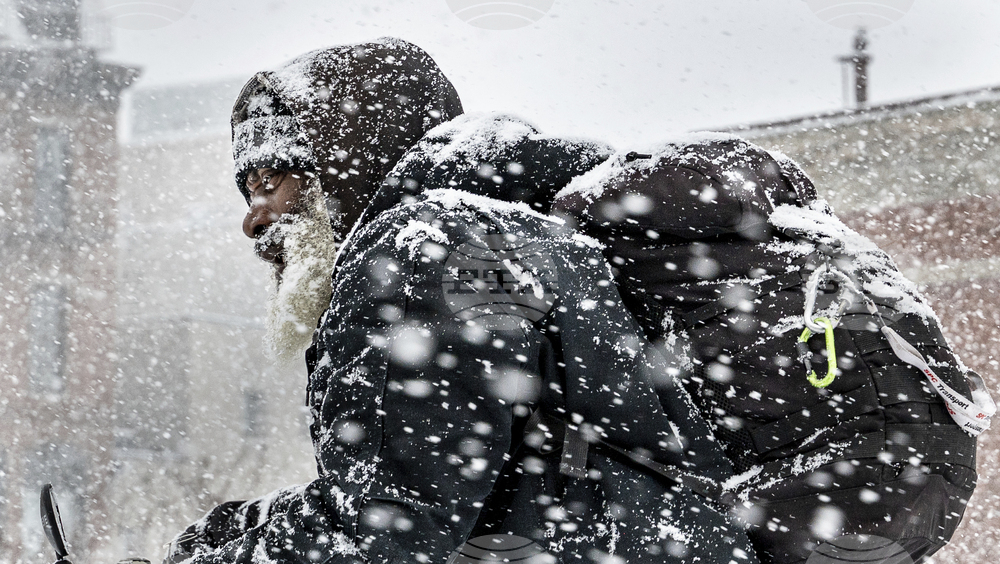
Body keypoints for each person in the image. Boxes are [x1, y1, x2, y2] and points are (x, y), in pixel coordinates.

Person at [163, 38, 757, 564]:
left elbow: (383, 532)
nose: (252, 219)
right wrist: (232, 530)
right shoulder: (505, 237)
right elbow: (446, 476)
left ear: (341, 166)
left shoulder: (418, 251)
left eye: (269, 183)